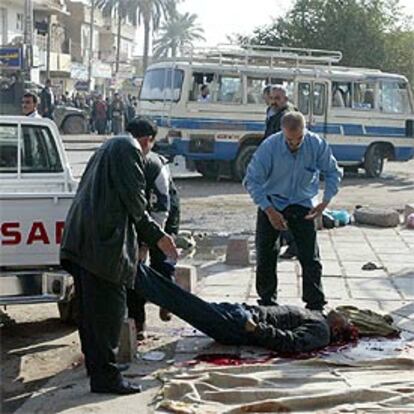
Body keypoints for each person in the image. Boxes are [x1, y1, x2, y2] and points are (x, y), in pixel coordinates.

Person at [60, 119, 178, 395]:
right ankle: (106, 379)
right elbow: (136, 204)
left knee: (90, 315)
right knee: (108, 313)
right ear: (147, 139)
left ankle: (101, 367)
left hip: (83, 240)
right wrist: (159, 238)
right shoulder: (130, 150)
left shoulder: (109, 146)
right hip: (101, 247)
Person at [133, 263, 356, 354]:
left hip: (241, 325)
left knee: (180, 301)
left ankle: (132, 271)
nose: (345, 315)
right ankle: (134, 272)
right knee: (182, 301)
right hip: (242, 312)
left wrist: (256, 329)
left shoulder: (321, 332)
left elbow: (290, 342)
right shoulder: (319, 316)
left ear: (337, 330)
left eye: (346, 321)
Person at [244, 111, 342, 311]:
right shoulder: (269, 147)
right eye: (290, 140)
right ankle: (267, 302)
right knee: (266, 254)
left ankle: (315, 304)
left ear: (305, 131)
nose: (294, 145)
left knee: (310, 257)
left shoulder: (316, 144)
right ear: (282, 132)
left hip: (302, 203)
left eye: (299, 140)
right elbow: (252, 181)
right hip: (272, 202)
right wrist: (269, 211)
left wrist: (325, 201)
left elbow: (333, 172)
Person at [125, 117, 181, 339]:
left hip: (162, 217)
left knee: (163, 262)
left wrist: (148, 243)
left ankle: (167, 301)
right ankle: (138, 323)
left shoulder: (156, 167)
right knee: (135, 271)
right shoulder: (126, 160)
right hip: (139, 220)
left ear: (148, 141)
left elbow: (161, 211)